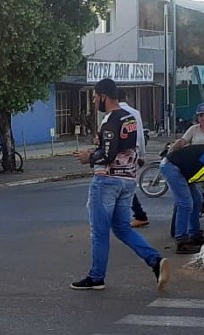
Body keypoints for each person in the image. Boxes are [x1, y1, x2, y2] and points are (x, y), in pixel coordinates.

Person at [71, 78, 169, 291]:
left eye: (95, 97)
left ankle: (96, 277)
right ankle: (155, 261)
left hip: (107, 180)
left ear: (103, 96)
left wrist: (89, 156)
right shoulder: (129, 117)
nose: (94, 101)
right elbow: (126, 146)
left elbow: (108, 155)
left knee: (99, 232)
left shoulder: (110, 120)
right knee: (122, 229)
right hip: (128, 180)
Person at [115, 89, 150, 228]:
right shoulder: (135, 113)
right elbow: (140, 136)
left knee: (122, 185)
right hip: (134, 153)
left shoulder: (113, 114)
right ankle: (138, 214)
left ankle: (139, 214)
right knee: (126, 184)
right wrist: (142, 155)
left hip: (120, 157)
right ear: (126, 97)